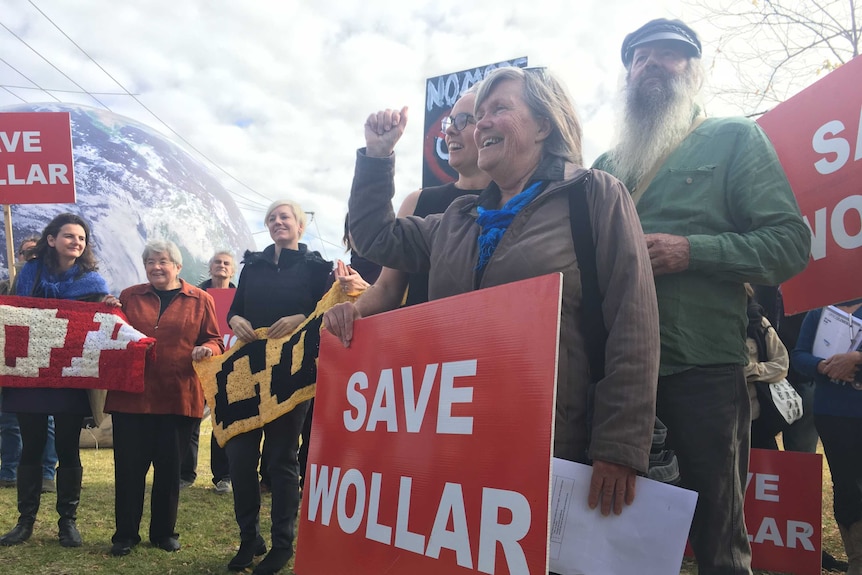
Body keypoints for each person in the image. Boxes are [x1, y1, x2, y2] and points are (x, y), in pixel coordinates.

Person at [329, 66, 660, 518]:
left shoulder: (595, 195)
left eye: (498, 109)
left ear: (544, 124)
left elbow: (633, 322)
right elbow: (374, 237)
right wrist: (377, 155)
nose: (480, 122)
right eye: (477, 113)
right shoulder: (457, 218)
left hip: (555, 446)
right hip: (458, 440)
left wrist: (619, 445)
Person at [592, 18, 811, 574]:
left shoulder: (736, 137)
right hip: (614, 375)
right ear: (627, 72)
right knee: (607, 533)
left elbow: (789, 244)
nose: (653, 65)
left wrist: (692, 251)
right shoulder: (604, 168)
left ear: (695, 71)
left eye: (672, 55)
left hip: (702, 369)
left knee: (718, 540)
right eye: (641, 57)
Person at [225, 199, 332, 574]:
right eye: (271, 218)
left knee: (281, 458)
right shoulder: (251, 266)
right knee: (239, 456)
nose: (277, 222)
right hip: (246, 372)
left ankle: (283, 544)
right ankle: (249, 537)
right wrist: (236, 318)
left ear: (300, 225)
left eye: (284, 217)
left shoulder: (317, 266)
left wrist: (302, 317)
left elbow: (328, 308)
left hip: (292, 372)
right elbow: (234, 308)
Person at [0, 213, 120, 548]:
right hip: (29, 374)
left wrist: (108, 305)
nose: (76, 243)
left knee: (68, 449)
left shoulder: (93, 283)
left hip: (70, 376)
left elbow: (101, 324)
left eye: (81, 238)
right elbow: (13, 312)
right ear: (51, 239)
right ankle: (25, 522)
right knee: (31, 448)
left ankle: (67, 523)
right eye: (69, 236)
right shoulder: (28, 275)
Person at [104, 240, 223, 556]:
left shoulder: (201, 299)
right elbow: (115, 330)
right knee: (128, 470)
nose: (157, 266)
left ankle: (163, 533)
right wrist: (108, 311)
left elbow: (215, 339)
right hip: (131, 397)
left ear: (178, 266)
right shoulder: (129, 295)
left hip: (178, 396)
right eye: (151, 261)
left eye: (163, 261)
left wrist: (207, 349)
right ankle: (125, 535)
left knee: (170, 471)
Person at [792, 300, 862, 575]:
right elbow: (798, 356)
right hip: (832, 413)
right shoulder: (818, 311)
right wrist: (823, 366)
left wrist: (856, 359)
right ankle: (857, 559)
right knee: (845, 484)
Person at [0, 236, 59, 494]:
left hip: (47, 362)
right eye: (27, 253)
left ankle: (47, 473)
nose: (32, 257)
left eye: (38, 253)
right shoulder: (5, 288)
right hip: (12, 362)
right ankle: (9, 470)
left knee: (48, 420)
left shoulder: (53, 287)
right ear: (19, 257)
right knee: (10, 419)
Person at [181, 250, 236, 495]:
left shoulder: (242, 297)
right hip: (199, 367)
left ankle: (224, 476)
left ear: (232, 270)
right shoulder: (193, 296)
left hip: (230, 370)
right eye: (217, 262)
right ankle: (184, 474)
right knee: (190, 420)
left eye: (226, 263)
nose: (221, 266)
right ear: (209, 267)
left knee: (222, 424)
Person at [744, 286, 790, 450]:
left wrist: (749, 371)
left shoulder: (759, 323)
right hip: (717, 417)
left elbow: (781, 364)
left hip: (757, 418)